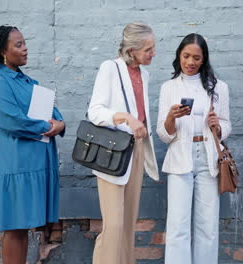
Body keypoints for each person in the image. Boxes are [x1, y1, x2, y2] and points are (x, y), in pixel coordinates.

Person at [0, 25, 65, 264]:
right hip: (15, 164)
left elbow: (52, 110)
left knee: (23, 226)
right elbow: (11, 120)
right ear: (3, 51)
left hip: (31, 164)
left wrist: (60, 124)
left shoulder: (25, 81)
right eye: (18, 44)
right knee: (15, 227)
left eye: (25, 43)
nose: (25, 48)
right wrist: (48, 127)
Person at [87, 22, 160, 264]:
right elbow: (95, 112)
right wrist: (126, 118)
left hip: (136, 149)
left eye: (153, 47)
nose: (153, 53)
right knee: (115, 225)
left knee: (129, 222)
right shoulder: (110, 68)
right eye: (148, 49)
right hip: (113, 151)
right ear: (132, 50)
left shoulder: (145, 74)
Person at [156, 33, 231, 264]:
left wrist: (217, 126)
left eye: (196, 58)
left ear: (204, 59)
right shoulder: (169, 87)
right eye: (186, 56)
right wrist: (171, 117)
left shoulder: (218, 87)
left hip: (208, 159)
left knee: (207, 225)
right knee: (178, 225)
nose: (190, 62)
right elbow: (163, 134)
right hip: (180, 158)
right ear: (179, 55)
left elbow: (227, 125)